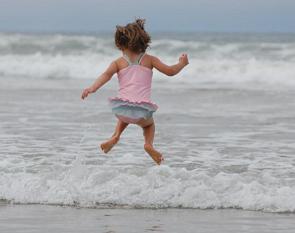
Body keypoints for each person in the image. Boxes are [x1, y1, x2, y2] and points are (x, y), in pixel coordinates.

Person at [81, 18, 189, 165]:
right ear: (144, 42)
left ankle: (115, 136)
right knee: (149, 125)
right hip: (141, 111)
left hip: (121, 109)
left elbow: (105, 75)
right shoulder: (150, 60)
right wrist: (182, 63)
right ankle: (148, 145)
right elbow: (170, 71)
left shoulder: (118, 62)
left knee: (126, 111)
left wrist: (92, 88)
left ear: (120, 44)